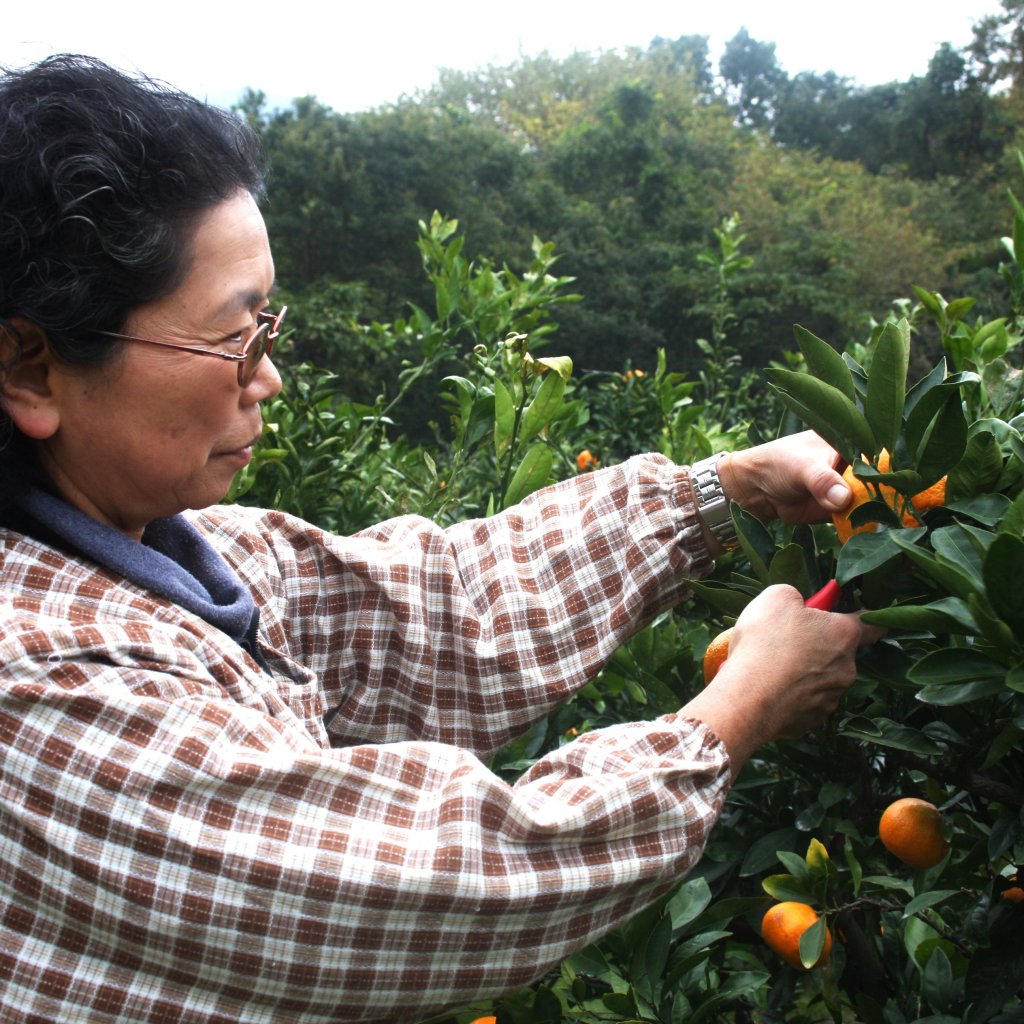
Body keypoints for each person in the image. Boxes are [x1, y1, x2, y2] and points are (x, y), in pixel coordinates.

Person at [0, 55, 880, 1024]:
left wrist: (719, 492)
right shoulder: (41, 687)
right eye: (235, 339)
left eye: (269, 327)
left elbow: (442, 608)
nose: (269, 378)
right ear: (31, 368)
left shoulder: (171, 553)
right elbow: (447, 884)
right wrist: (745, 702)